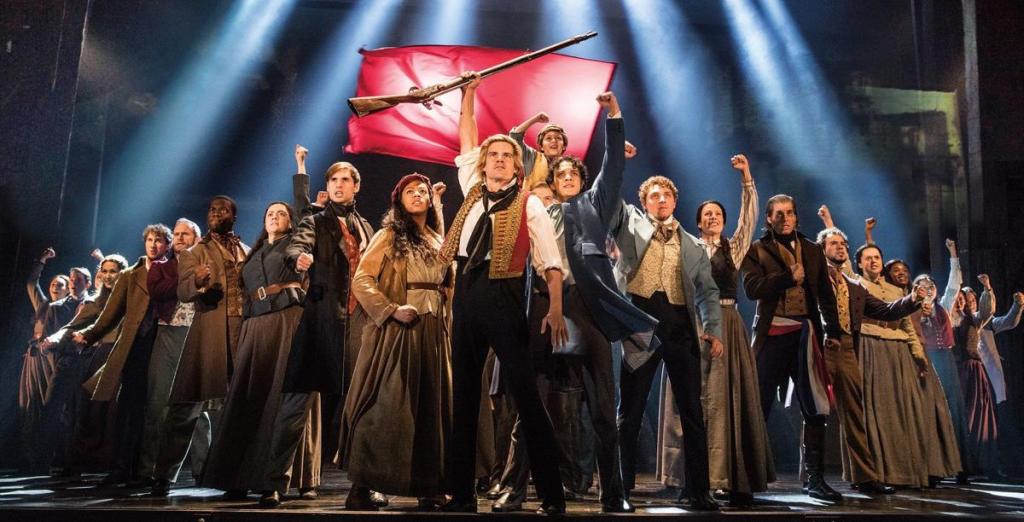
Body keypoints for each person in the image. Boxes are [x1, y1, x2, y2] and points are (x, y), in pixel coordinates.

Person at [492, 91, 649, 514]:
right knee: (531, 405)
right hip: (546, 306)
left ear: (581, 180)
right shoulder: (536, 212)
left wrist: (614, 115)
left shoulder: (594, 205)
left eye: (571, 174)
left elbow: (613, 166)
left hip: (587, 307)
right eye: (559, 174)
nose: (565, 177)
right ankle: (513, 490)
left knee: (602, 408)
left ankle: (614, 493)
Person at [438, 77, 569, 515]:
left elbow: (550, 262)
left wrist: (554, 309)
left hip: (505, 296)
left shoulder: (529, 203)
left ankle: (552, 496)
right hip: (466, 292)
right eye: (492, 154)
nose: (498, 159)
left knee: (526, 397)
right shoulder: (471, 191)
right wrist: (468, 93)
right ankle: (461, 495)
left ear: (517, 165)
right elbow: (466, 135)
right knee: (463, 397)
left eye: (506, 155)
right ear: (484, 163)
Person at [339, 175, 452, 510]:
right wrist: (390, 310)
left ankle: (428, 486)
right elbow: (362, 279)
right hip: (400, 330)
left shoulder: (436, 238)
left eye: (422, 191)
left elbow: (446, 281)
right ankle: (363, 486)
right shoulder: (389, 235)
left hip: (433, 331)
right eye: (409, 191)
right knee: (387, 406)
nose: (417, 195)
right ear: (399, 200)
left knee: (430, 407)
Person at [612, 173, 723, 511]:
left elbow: (707, 291)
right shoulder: (629, 227)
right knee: (630, 410)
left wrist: (712, 328)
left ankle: (697, 491)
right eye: (654, 195)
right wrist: (619, 161)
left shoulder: (692, 245)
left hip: (679, 328)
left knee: (692, 411)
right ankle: (620, 491)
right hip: (640, 324)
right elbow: (609, 199)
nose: (661, 200)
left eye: (666, 195)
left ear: (675, 201)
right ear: (644, 202)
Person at [266, 160, 374, 508]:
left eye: (345, 180)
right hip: (322, 320)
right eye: (333, 180)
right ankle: (274, 482)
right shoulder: (315, 221)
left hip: (358, 323)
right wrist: (299, 258)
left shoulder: (366, 226)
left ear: (356, 186)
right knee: (296, 403)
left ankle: (365, 485)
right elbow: (297, 246)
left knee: (363, 405)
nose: (338, 185)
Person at [203, 201, 321, 500]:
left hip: (287, 321)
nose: (274, 217)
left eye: (282, 213)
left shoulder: (294, 244)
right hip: (255, 325)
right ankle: (239, 477)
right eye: (270, 213)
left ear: (291, 221)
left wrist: (303, 181)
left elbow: (305, 245)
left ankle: (280, 479)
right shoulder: (254, 252)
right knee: (250, 398)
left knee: (284, 399)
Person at [676, 153, 772, 507]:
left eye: (717, 214)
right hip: (696, 323)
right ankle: (697, 477)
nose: (712, 217)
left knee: (728, 398)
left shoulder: (734, 247)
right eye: (706, 214)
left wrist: (746, 178)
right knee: (700, 398)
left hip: (728, 323)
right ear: (698, 222)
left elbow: (750, 218)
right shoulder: (688, 247)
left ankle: (729, 475)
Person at [741, 194, 842, 502]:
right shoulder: (756, 249)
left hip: (806, 334)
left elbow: (825, 294)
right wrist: (787, 278)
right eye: (778, 214)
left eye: (789, 213)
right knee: (758, 407)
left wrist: (833, 331)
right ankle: (746, 481)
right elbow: (751, 289)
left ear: (796, 216)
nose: (784, 218)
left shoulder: (812, 249)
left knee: (814, 407)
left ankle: (815, 479)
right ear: (768, 218)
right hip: (772, 335)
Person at [150, 197, 250, 496]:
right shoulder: (195, 252)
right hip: (209, 333)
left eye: (223, 210)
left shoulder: (246, 250)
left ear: (233, 216)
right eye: (212, 209)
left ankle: (235, 477)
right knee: (187, 403)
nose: (216, 213)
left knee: (238, 408)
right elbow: (182, 291)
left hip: (242, 333)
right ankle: (163, 475)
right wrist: (198, 281)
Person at [817, 225, 923, 494]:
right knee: (815, 411)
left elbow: (885, 310)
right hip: (820, 347)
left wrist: (912, 299)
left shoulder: (855, 286)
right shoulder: (814, 278)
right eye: (833, 243)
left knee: (855, 411)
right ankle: (813, 477)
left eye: (843, 244)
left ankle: (865, 477)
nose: (840, 247)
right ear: (822, 250)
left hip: (847, 348)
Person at [72, 225, 171, 485]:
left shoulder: (174, 271)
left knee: (154, 409)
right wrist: (89, 334)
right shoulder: (130, 275)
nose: (153, 245)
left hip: (162, 345)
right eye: (150, 240)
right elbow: (111, 312)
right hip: (136, 346)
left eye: (159, 241)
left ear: (167, 245)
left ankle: (145, 470)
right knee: (129, 408)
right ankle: (120, 468)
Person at [36, 254, 128, 475]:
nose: (108, 276)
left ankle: (111, 463)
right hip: (94, 357)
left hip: (120, 356)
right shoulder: (97, 301)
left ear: (123, 274)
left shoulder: (129, 298)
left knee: (110, 412)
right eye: (104, 271)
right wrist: (54, 338)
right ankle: (75, 461)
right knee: (83, 410)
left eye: (113, 272)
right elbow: (73, 325)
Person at [142, 218, 210, 487]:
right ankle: (151, 469)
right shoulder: (161, 266)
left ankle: (204, 469)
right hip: (168, 334)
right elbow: (157, 290)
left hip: (198, 335)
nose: (180, 238)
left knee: (197, 405)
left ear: (197, 238)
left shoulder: (206, 263)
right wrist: (192, 280)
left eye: (186, 234)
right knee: (158, 403)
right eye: (177, 234)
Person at [953, 276, 999, 477]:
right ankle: (962, 464)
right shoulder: (947, 318)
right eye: (958, 299)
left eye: (963, 300)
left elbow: (988, 311)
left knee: (979, 413)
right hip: (957, 370)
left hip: (974, 370)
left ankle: (982, 462)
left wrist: (987, 288)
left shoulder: (974, 319)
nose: (961, 302)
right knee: (963, 415)